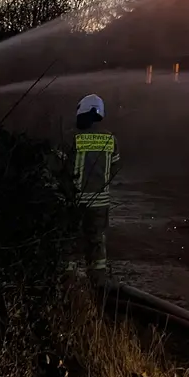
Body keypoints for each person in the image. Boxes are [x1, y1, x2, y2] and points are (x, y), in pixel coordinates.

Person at [66, 94, 121, 289]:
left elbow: (58, 166)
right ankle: (97, 284)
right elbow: (115, 168)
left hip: (74, 201)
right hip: (100, 202)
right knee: (96, 241)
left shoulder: (72, 137)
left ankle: (68, 284)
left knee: (69, 241)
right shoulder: (110, 139)